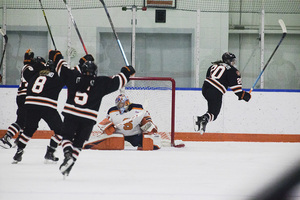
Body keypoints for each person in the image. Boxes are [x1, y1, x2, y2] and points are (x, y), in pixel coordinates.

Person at [48, 50, 135, 176]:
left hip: (71, 114)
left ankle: (67, 154)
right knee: (78, 143)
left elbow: (61, 67)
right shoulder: (101, 82)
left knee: (66, 137)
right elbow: (118, 81)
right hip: (88, 118)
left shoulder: (73, 77)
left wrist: (56, 56)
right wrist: (127, 71)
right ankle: (70, 165)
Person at [12, 51, 65, 163]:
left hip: (31, 104)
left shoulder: (35, 74)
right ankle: (50, 151)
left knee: (29, 129)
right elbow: (69, 77)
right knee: (61, 130)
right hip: (47, 105)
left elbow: (26, 74)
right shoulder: (57, 76)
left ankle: (19, 151)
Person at [194, 52, 251, 134]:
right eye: (232, 60)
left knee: (211, 110)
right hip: (215, 91)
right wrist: (245, 96)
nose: (234, 62)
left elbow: (208, 77)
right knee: (214, 114)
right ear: (228, 61)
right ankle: (204, 119)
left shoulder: (213, 65)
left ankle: (200, 119)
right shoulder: (232, 70)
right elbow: (237, 90)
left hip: (205, 89)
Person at [0, 49, 45, 149]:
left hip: (23, 97)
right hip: (24, 97)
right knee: (21, 120)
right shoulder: (29, 68)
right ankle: (6, 137)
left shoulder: (29, 67)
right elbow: (35, 68)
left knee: (26, 120)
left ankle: (19, 139)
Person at [84, 94, 160, 151]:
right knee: (110, 142)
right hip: (118, 135)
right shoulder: (112, 111)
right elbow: (105, 123)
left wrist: (148, 124)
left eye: (121, 103)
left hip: (135, 135)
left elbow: (147, 119)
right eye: (118, 104)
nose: (119, 105)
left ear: (126, 103)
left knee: (148, 143)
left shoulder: (138, 108)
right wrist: (108, 127)